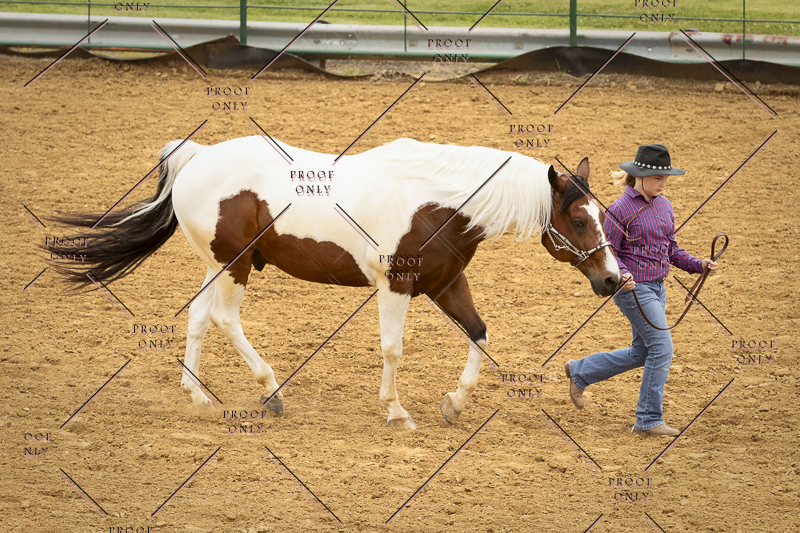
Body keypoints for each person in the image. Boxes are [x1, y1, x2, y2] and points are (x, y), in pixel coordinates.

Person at [564, 144, 719, 437]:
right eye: (659, 178)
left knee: (643, 351)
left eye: (666, 179)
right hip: (634, 289)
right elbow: (609, 252)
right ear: (640, 176)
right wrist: (623, 274)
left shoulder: (664, 206)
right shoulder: (619, 210)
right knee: (662, 348)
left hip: (658, 287)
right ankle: (648, 419)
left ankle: (581, 371)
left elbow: (671, 249)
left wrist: (698, 265)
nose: (663, 183)